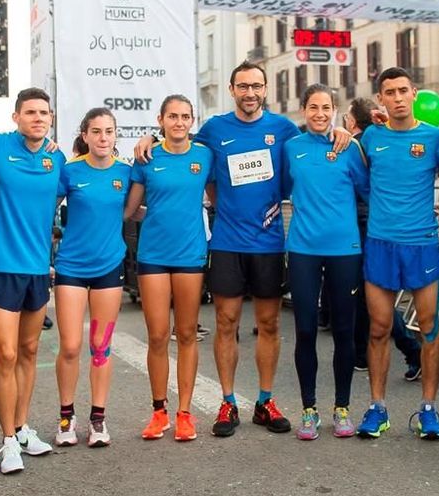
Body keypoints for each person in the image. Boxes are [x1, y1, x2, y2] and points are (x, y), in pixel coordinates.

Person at [134, 62, 349, 437]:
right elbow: (178, 137)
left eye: (257, 86)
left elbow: (312, 144)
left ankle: (265, 401)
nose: (250, 93)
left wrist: (342, 129)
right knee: (226, 323)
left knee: (268, 323)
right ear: (232, 90)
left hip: (268, 243)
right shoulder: (215, 129)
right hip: (228, 242)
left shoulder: (283, 129)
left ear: (265, 90)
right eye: (243, 86)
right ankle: (228, 401)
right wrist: (150, 138)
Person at [356, 67, 439, 440]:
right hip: (380, 245)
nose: (396, 97)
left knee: (429, 328)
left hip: (422, 244)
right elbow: (358, 180)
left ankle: (428, 408)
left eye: (402, 91)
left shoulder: (435, 138)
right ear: (381, 99)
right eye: (389, 92)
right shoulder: (370, 138)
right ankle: (377, 407)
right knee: (379, 328)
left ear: (414, 94)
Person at [0, 88, 62, 472]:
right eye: (30, 112)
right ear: (16, 117)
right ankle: (7, 441)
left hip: (37, 269)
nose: (38, 118)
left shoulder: (55, 158)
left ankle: (22, 427)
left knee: (28, 352)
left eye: (44, 112)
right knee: (5, 354)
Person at [125, 95, 212, 442]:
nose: (179, 122)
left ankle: (185, 413)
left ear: (192, 121)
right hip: (154, 255)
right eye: (172, 116)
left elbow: (221, 199)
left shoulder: (205, 156)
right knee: (158, 335)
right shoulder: (147, 156)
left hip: (191, 254)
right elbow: (130, 209)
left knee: (187, 333)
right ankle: (159, 411)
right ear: (160, 120)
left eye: (185, 117)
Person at [283, 85, 369, 440]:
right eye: (313, 107)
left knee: (344, 331)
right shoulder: (291, 148)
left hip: (344, 250)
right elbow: (281, 188)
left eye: (327, 107)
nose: (320, 113)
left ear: (335, 110)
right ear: (303, 109)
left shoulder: (348, 147)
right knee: (304, 330)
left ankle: (342, 407)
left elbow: (367, 191)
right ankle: (308, 409)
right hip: (303, 249)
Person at [53, 108, 131, 448]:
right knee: (70, 346)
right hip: (70, 267)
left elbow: (133, 210)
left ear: (116, 136)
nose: (103, 138)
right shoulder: (69, 171)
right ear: (84, 135)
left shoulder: (126, 173)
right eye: (96, 131)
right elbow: (44, 208)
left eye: (109, 131)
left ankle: (98, 419)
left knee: (101, 347)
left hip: (109, 268)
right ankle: (65, 417)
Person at [344, 97, 421, 380]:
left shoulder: (363, 141)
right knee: (365, 293)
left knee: (371, 292)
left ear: (353, 121)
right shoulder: (370, 137)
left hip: (368, 223)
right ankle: (363, 353)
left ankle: (412, 349)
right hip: (365, 221)